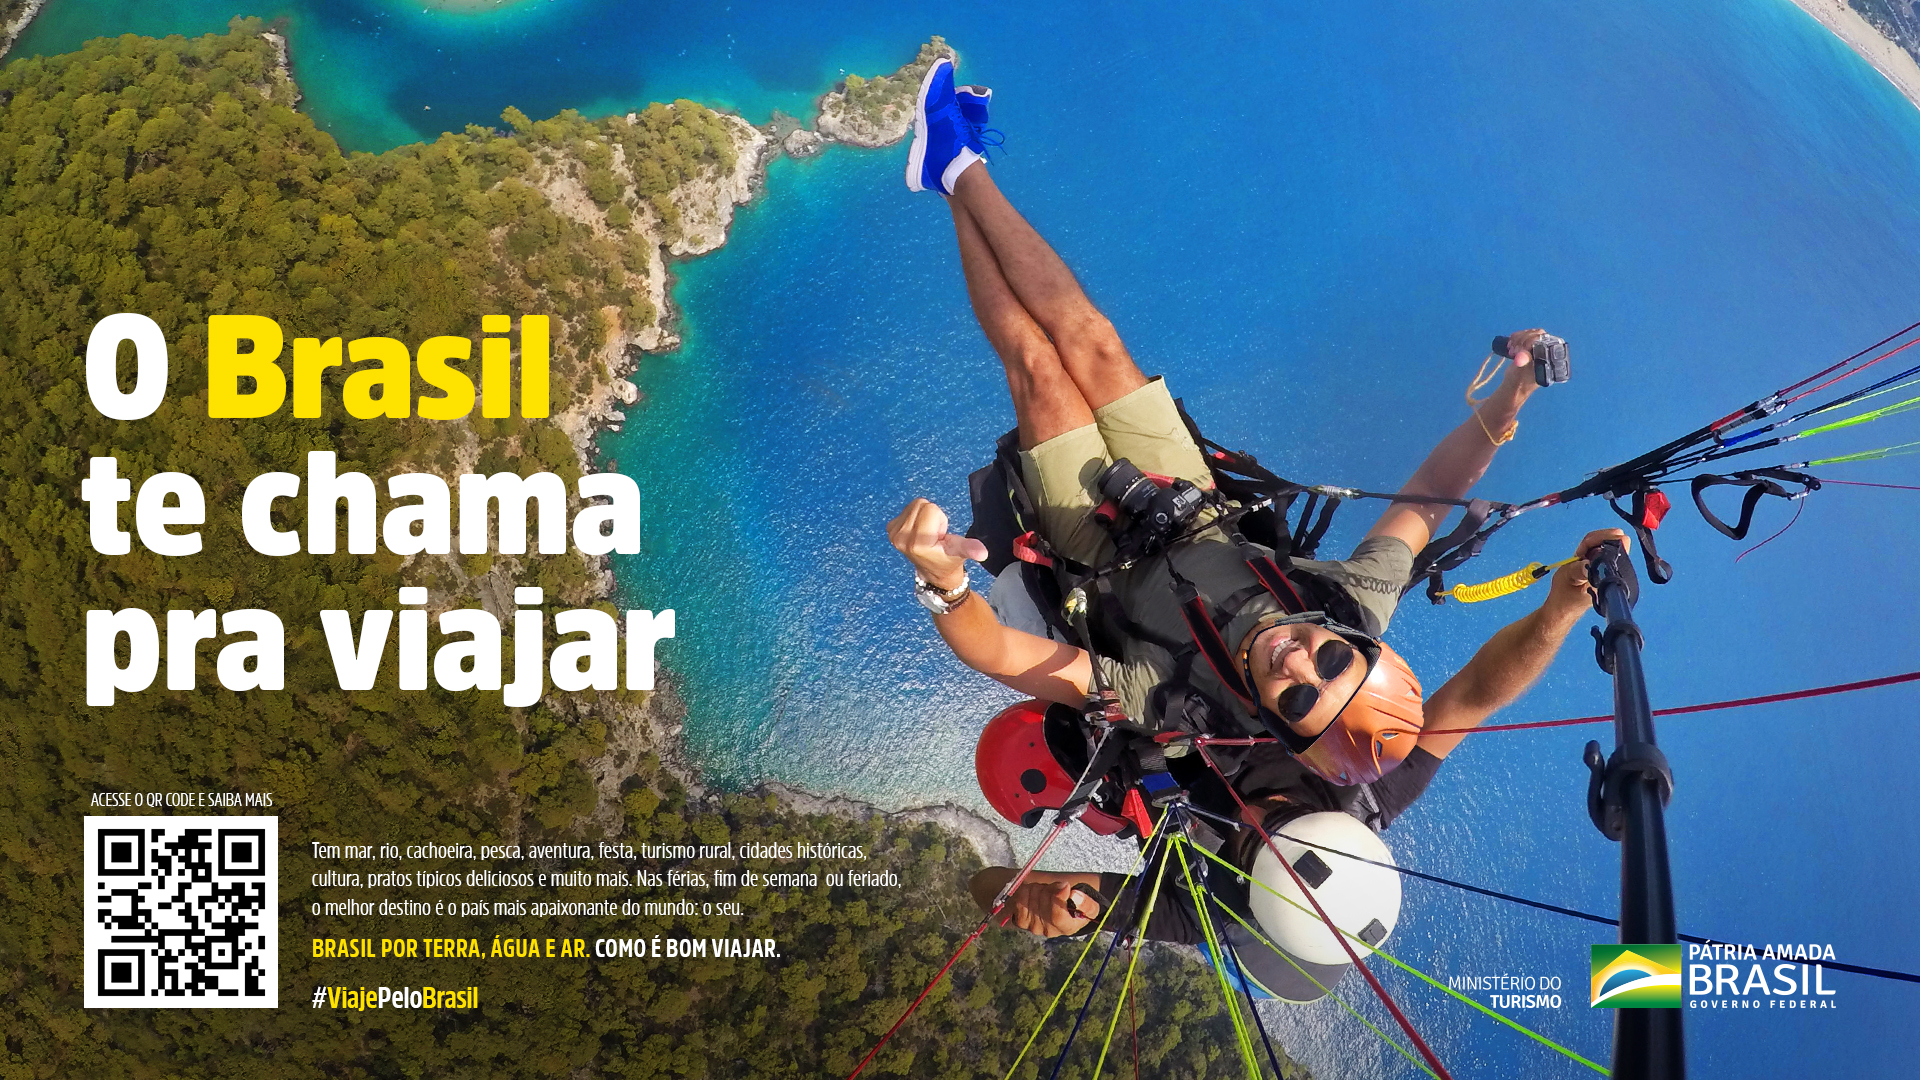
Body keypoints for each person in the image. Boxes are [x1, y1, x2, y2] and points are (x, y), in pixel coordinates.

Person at [885, 58, 1606, 958]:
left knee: (1037, 366)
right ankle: (956, 166)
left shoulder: (1180, 725)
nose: (1298, 658)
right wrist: (1521, 434)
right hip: (1189, 506)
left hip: (1102, 556)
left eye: (1293, 692)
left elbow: (1008, 658)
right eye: (1329, 658)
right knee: (1094, 340)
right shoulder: (1365, 710)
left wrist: (943, 584)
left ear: (1275, 724)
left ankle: (952, 168)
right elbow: (1447, 583)